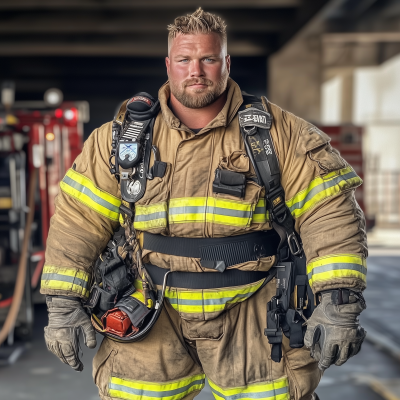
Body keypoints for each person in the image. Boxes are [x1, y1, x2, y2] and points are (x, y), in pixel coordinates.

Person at [41, 8, 367, 400]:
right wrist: (63, 305)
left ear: (226, 63)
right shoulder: (119, 142)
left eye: (208, 59)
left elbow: (329, 211)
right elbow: (78, 220)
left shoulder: (280, 135)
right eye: (184, 60)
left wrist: (338, 301)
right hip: (150, 310)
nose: (195, 70)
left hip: (254, 313)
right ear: (168, 65)